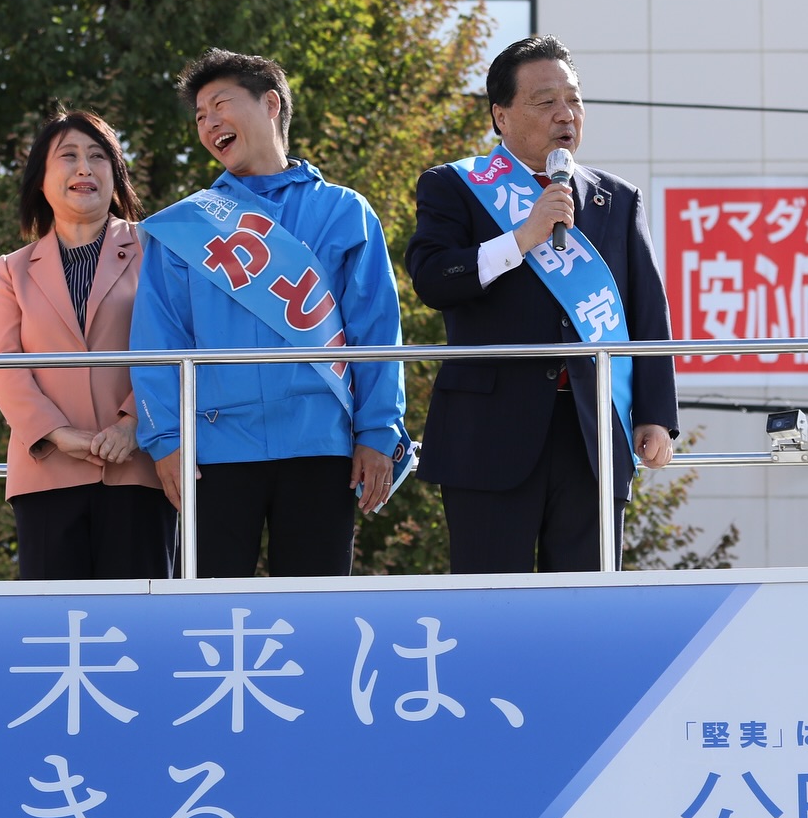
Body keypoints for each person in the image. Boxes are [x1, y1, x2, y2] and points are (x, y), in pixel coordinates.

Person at [406, 34, 678, 574]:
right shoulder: (454, 186)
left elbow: (647, 311)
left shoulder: (615, 198)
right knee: (489, 601)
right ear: (501, 116)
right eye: (545, 101)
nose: (565, 114)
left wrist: (655, 415)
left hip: (592, 432)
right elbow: (433, 279)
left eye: (573, 99)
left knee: (586, 604)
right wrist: (521, 238)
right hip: (488, 430)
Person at [130, 49, 405, 578]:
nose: (209, 124)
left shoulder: (345, 211)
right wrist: (165, 440)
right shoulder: (186, 227)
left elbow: (376, 331)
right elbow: (158, 341)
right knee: (208, 612)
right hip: (214, 450)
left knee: (314, 612)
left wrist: (377, 431)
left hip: (320, 443)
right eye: (200, 116)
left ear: (271, 104)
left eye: (221, 105)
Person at [0, 110, 174, 579]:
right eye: (68, 156)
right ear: (41, 179)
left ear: (117, 174)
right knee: (54, 618)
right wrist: (56, 433)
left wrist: (133, 424)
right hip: (46, 471)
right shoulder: (12, 269)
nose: (84, 168)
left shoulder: (156, 249)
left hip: (139, 466)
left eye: (98, 156)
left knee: (139, 617)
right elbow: (3, 365)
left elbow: (176, 345)